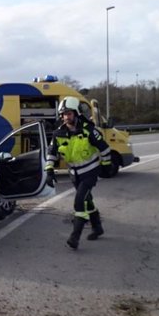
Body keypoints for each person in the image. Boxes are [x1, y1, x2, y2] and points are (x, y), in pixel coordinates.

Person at [45, 96, 111, 249]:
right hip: (74, 174)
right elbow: (51, 153)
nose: (66, 117)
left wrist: (107, 165)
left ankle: (75, 237)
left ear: (76, 113)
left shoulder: (89, 131)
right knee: (87, 200)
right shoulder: (58, 134)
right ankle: (97, 227)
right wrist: (49, 170)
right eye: (63, 114)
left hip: (90, 172)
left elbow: (105, 148)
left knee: (79, 201)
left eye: (69, 113)